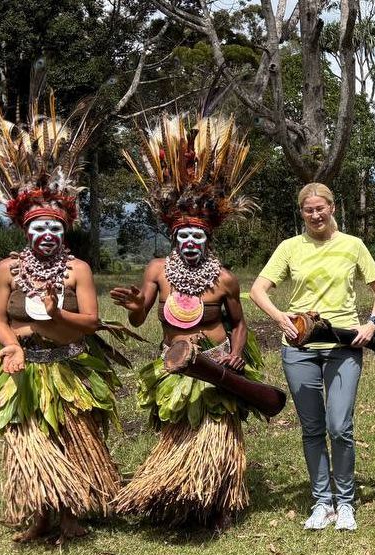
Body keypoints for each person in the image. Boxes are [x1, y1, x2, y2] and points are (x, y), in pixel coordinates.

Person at [0, 97, 132, 543]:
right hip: (23, 367)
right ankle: (40, 514)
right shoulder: (7, 269)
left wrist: (56, 312)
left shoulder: (78, 270)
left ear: (65, 229)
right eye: (38, 227)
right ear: (25, 230)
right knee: (30, 436)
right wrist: (10, 345)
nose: (46, 234)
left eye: (54, 227)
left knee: (73, 436)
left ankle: (72, 513)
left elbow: (91, 323)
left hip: (69, 364)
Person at [110, 114, 268, 531]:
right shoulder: (158, 270)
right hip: (175, 363)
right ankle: (181, 496)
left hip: (215, 362)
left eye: (198, 236)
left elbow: (239, 324)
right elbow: (141, 316)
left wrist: (236, 354)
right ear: (174, 237)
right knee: (180, 428)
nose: (191, 242)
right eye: (184, 235)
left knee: (219, 430)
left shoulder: (224, 279)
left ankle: (221, 502)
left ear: (208, 238)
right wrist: (134, 305)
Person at [250, 183, 375, 532]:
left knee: (339, 426)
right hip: (299, 348)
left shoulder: (352, 245)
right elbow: (257, 290)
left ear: (332, 208)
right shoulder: (289, 248)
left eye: (320, 208)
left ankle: (346, 503)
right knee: (312, 428)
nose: (315, 215)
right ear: (302, 212)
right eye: (308, 210)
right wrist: (279, 317)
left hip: (343, 347)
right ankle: (322, 502)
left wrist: (372, 323)